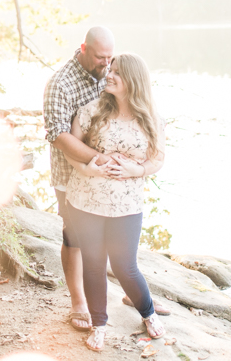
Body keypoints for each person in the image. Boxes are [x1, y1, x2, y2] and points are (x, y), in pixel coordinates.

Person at [63, 53, 166, 352]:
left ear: (133, 80)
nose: (109, 74)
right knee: (94, 265)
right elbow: (72, 148)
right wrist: (87, 167)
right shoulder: (91, 111)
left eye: (117, 72)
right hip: (86, 200)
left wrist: (138, 169)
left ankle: (147, 313)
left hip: (126, 205)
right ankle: (99, 326)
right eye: (111, 68)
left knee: (125, 266)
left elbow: (158, 158)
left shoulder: (151, 119)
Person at [43, 26, 116, 332]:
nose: (107, 64)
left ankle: (128, 290)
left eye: (110, 57)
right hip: (70, 175)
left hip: (107, 174)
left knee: (113, 231)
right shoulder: (61, 83)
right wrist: (95, 159)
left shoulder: (110, 72)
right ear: (84, 48)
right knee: (74, 237)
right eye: (101, 57)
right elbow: (58, 135)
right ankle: (78, 303)